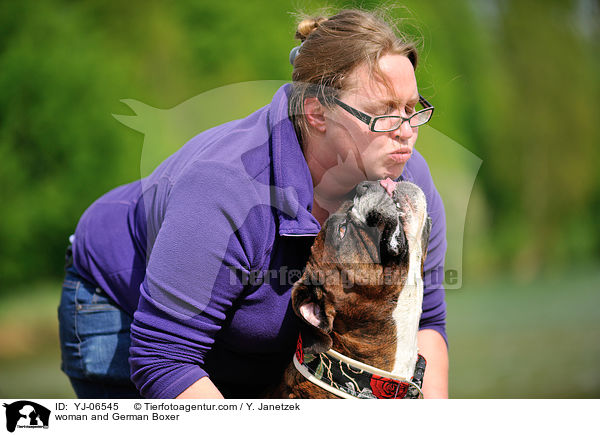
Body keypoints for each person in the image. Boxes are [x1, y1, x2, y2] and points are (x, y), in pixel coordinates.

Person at [58, 8, 448, 399]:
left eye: (411, 110)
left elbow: (423, 320)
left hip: (245, 343)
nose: (407, 134)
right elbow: (163, 358)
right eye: (383, 113)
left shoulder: (406, 182)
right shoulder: (229, 187)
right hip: (118, 306)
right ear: (316, 113)